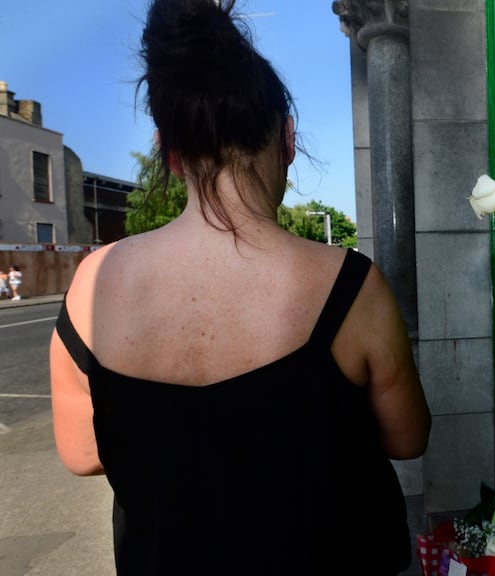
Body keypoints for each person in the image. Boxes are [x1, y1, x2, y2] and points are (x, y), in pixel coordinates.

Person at [48, 1, 430, 574]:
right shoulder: (351, 287)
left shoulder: (91, 285)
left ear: (169, 152)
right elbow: (407, 437)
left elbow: (81, 454)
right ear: (288, 138)